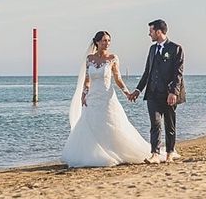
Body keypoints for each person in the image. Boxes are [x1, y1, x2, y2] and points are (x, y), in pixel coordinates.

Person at [62, 31, 151, 167]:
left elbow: (118, 78)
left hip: (107, 98)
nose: (107, 43)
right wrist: (83, 94)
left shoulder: (113, 58)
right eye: (104, 41)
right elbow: (87, 80)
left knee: (112, 124)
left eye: (108, 41)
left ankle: (114, 151)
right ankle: (94, 154)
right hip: (92, 97)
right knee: (90, 124)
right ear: (97, 42)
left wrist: (127, 93)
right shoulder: (89, 59)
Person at [129, 19, 185, 164]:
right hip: (153, 93)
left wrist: (174, 92)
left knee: (169, 125)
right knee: (155, 124)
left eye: (151, 31)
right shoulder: (152, 49)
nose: (149, 34)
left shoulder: (175, 48)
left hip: (168, 94)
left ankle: (170, 153)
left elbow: (177, 73)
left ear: (159, 31)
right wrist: (138, 90)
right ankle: (154, 154)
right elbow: (147, 72)